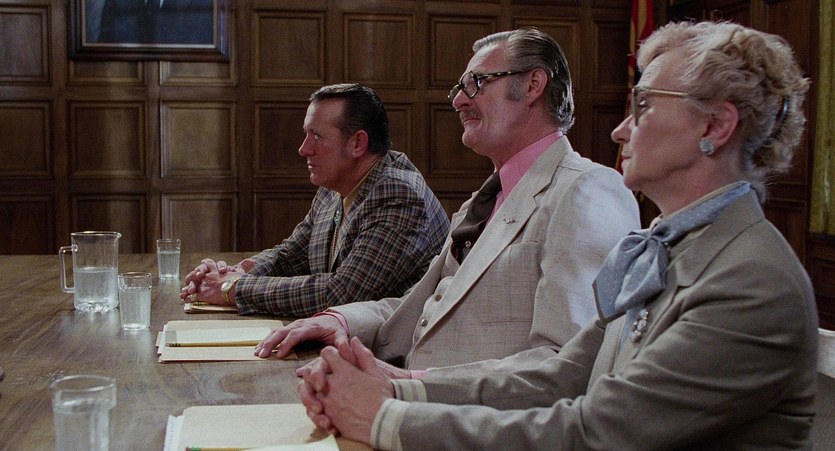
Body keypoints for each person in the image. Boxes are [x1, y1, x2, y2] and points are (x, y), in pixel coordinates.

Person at [298, 20, 819, 450]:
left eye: (643, 106)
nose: (619, 130)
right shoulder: (670, 246)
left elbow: (599, 432)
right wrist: (398, 389)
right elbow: (560, 377)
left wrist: (386, 419)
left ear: (715, 127)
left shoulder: (750, 280)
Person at [255, 28, 640, 370]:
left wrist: (410, 385)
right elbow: (422, 309)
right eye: (459, 89)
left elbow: (565, 365)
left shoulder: (587, 191)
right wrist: (338, 320)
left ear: (532, 85)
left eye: (477, 83)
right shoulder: (483, 201)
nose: (458, 101)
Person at [179, 83, 449, 317]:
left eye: (317, 137)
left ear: (357, 144)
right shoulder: (335, 185)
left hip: (389, 353)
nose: (303, 149)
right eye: (306, 134)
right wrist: (237, 272)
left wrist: (232, 288)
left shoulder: (399, 195)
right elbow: (290, 256)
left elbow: (342, 294)